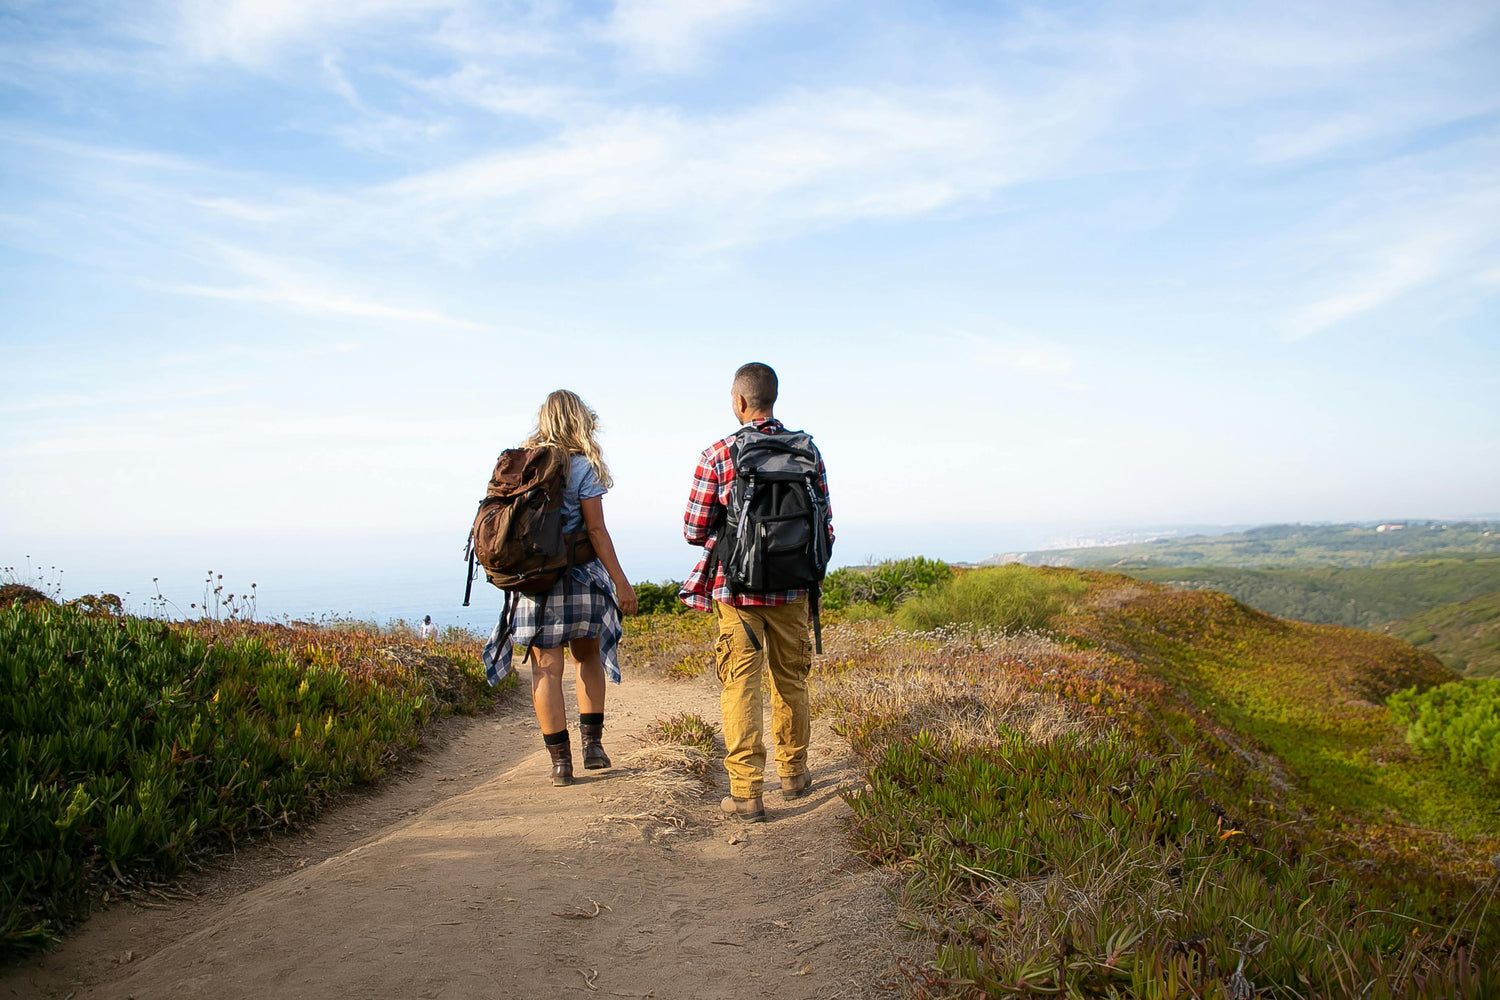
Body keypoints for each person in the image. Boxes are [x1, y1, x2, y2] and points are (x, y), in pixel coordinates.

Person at [680, 363, 833, 822]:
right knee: (791, 680)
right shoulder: (807, 450)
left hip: (738, 592)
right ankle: (794, 775)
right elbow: (824, 523)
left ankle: (747, 793)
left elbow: (693, 530)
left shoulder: (718, 454)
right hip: (794, 590)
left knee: (741, 686)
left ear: (740, 401)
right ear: (774, 398)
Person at [483, 390, 638, 785]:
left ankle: (560, 764)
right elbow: (596, 531)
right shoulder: (584, 466)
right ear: (580, 420)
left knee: (546, 670)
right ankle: (593, 747)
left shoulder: (521, 466)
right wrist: (621, 583)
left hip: (534, 581)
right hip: (580, 577)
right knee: (587, 658)